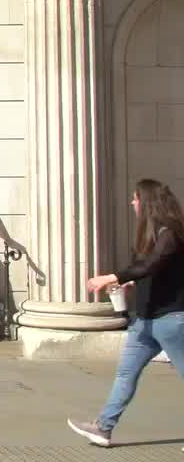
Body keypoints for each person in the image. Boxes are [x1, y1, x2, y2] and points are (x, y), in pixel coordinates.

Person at [67, 178, 184, 448]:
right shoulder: (152, 235)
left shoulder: (171, 234)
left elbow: (151, 266)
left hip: (171, 321)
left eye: (135, 198)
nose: (132, 202)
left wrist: (111, 276)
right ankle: (103, 428)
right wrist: (130, 282)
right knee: (125, 374)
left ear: (147, 202)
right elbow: (148, 271)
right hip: (144, 323)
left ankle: (103, 427)